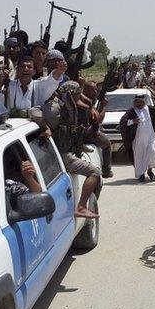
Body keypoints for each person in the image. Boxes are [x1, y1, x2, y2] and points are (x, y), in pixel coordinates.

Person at [35, 81, 101, 219]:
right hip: (61, 156)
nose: (79, 98)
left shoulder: (64, 107)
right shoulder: (55, 109)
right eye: (77, 95)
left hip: (63, 151)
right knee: (94, 173)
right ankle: (82, 207)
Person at [0, 56, 66, 115]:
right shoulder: (9, 86)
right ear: (17, 70)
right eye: (23, 66)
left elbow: (51, 81)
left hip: (32, 131)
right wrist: (0, 80)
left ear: (34, 71)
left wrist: (59, 72)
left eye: (29, 67)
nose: (26, 69)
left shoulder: (39, 86)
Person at [119, 94, 155, 182]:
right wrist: (132, 121)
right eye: (137, 102)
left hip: (150, 137)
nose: (139, 104)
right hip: (137, 139)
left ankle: (150, 170)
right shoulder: (131, 111)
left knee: (153, 153)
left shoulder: (150, 109)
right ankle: (141, 174)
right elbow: (123, 122)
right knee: (139, 157)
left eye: (141, 102)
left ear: (144, 102)